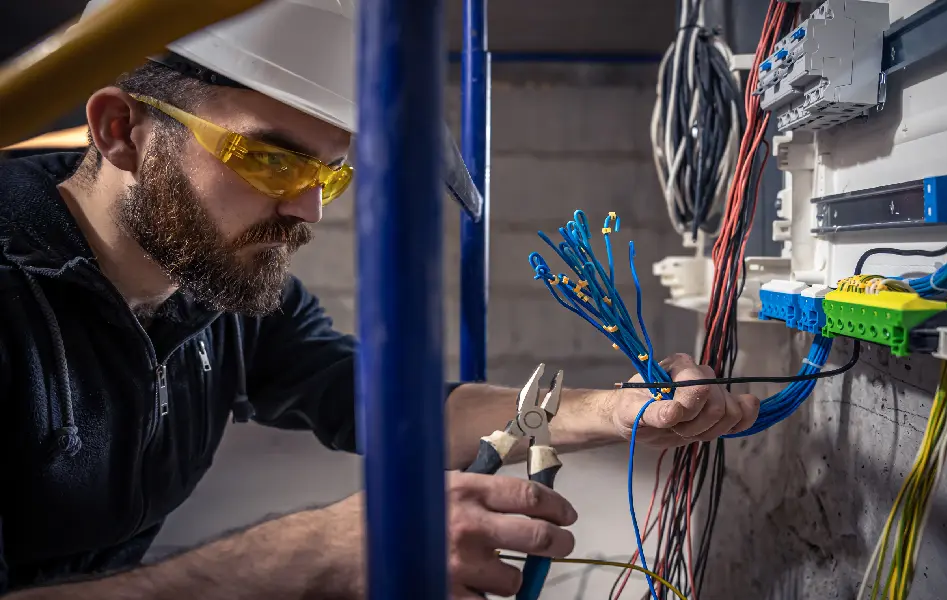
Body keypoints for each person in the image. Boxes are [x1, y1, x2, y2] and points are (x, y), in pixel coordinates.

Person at [0, 1, 760, 598]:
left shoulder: (217, 292)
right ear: (119, 129)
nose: (309, 211)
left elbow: (372, 400)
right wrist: (303, 555)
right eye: (268, 158)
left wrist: (617, 412)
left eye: (331, 173)